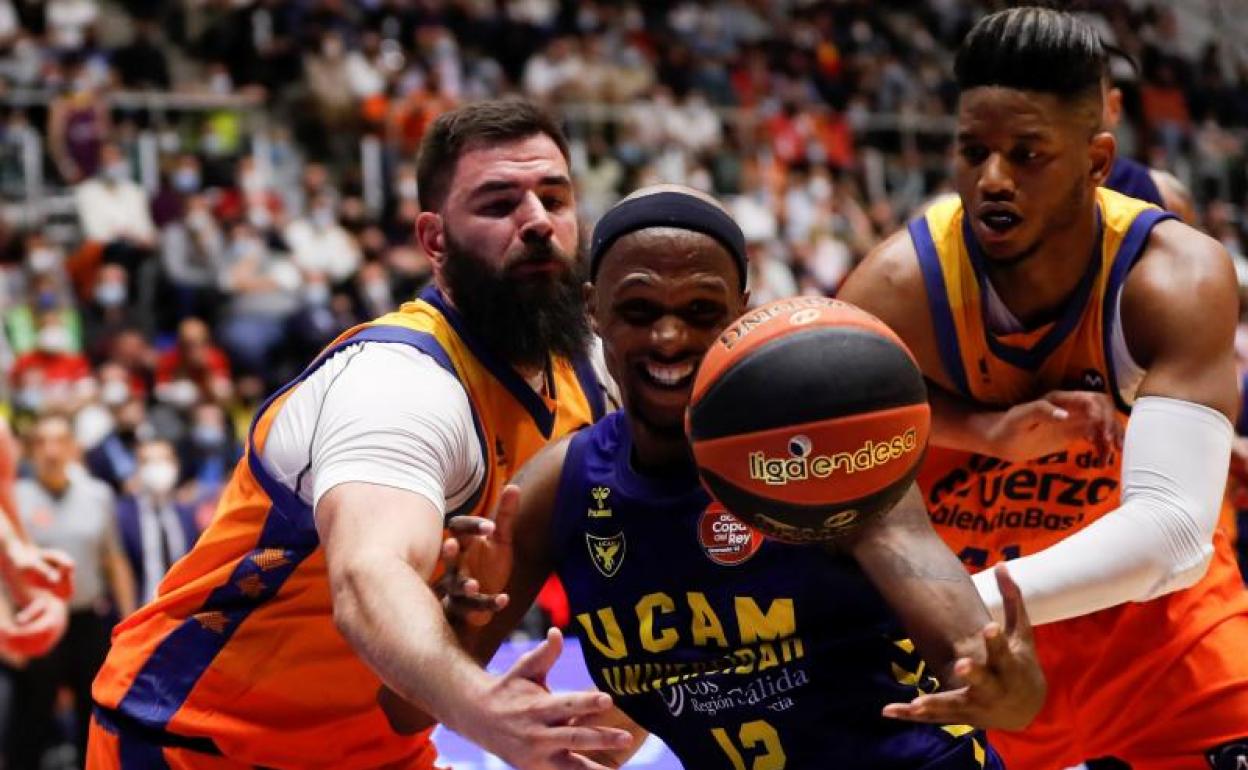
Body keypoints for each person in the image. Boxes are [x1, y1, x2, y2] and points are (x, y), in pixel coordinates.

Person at [87, 100, 629, 770]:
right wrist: (486, 711)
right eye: (498, 203)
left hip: (378, 747)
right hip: (202, 739)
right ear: (433, 240)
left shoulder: (584, 380)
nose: (538, 222)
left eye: (555, 197)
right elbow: (367, 573)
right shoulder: (397, 382)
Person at [429, 186, 1046, 768]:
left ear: (741, 311)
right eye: (639, 310)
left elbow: (977, 663)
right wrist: (465, 619)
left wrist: (1004, 683)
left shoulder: (822, 448)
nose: (670, 337)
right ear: (592, 307)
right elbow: (407, 710)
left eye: (701, 311)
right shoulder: (557, 489)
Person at [838, 8, 1248, 768]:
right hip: (987, 680)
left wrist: (951, 609)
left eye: (1027, 155)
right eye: (973, 152)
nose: (992, 179)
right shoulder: (894, 290)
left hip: (1166, 657)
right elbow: (826, 472)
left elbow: (1174, 536)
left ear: (1096, 160)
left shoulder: (1172, 276)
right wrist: (983, 431)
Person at [11, 414, 135, 770]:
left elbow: (115, 560)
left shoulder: (98, 495)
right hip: (35, 622)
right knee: (30, 720)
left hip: (87, 620)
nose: (50, 450)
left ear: (72, 448)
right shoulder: (14, 500)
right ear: (30, 451)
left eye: (59, 441)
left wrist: (127, 623)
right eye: (41, 442)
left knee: (94, 717)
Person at [114, 439, 200, 605]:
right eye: (149, 462)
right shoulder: (121, 515)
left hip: (182, 613)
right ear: (138, 469)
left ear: (176, 465)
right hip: (139, 613)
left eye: (164, 460)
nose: (158, 467)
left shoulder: (186, 514)